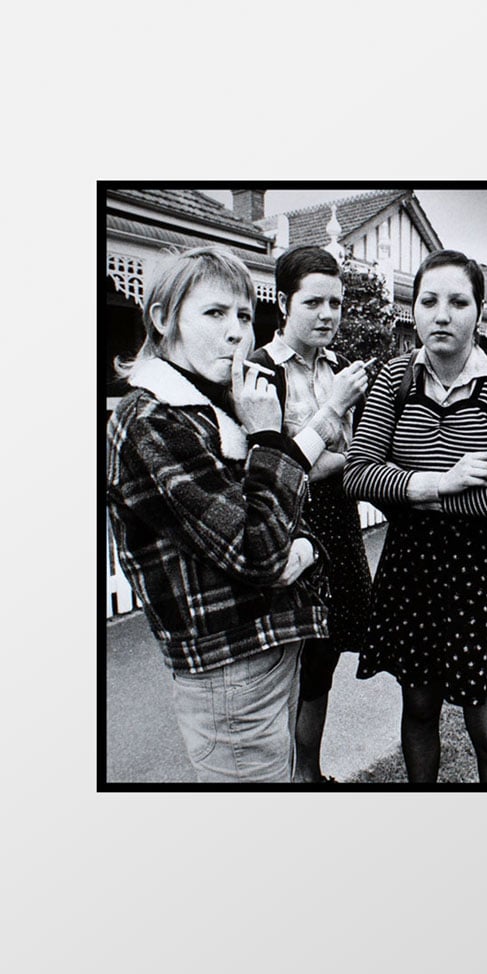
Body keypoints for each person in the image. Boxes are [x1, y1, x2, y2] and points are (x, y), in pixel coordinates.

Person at [106, 246, 365, 783]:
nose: (236, 332)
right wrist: (270, 437)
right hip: (229, 667)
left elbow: (269, 507)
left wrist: (303, 543)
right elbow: (260, 547)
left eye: (244, 315)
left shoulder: (214, 404)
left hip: (264, 649)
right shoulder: (152, 420)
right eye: (214, 313)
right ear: (162, 319)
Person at [343, 250, 487, 783]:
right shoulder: (395, 379)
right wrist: (443, 482)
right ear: (415, 310)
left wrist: (406, 491)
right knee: (420, 708)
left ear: (479, 311)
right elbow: (357, 473)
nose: (442, 315)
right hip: (413, 570)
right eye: (429, 301)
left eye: (458, 302)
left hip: (481, 574)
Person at [248, 246, 372, 783]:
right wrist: (329, 451)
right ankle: (283, 778)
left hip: (340, 529)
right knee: (286, 664)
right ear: (283, 302)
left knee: (324, 661)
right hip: (289, 528)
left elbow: (366, 454)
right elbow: (265, 465)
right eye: (314, 302)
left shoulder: (342, 369)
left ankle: (311, 775)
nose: (328, 314)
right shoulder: (258, 371)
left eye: (337, 304)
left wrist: (325, 459)